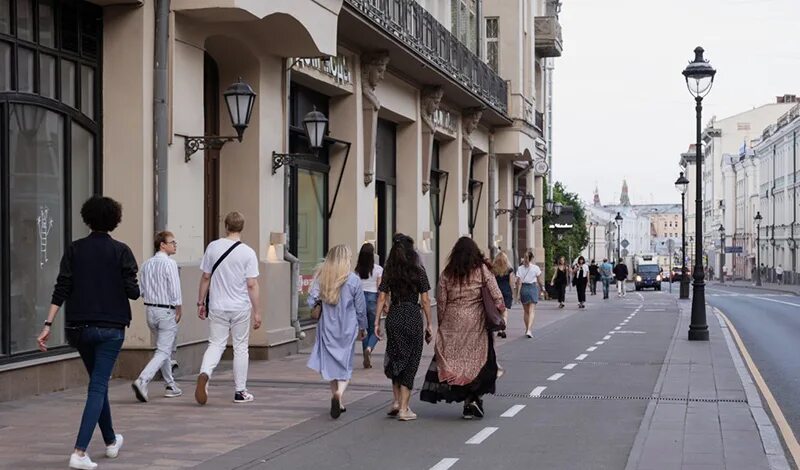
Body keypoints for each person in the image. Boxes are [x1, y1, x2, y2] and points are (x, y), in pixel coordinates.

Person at [37, 196, 139, 470]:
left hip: (78, 328)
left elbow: (62, 288)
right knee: (97, 386)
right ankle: (79, 452)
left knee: (98, 383)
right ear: (114, 220)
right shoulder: (121, 251)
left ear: (87, 218)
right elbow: (134, 292)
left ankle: (110, 441)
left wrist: (47, 325)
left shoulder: (74, 250)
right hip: (110, 328)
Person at [420, 237, 506, 419]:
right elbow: (497, 295)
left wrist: (442, 323)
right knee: (478, 361)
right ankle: (473, 398)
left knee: (456, 362)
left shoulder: (447, 273)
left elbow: (441, 301)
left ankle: (467, 400)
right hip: (476, 322)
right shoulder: (482, 270)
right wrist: (499, 313)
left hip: (452, 321)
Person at [195, 211, 261, 405]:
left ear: (226, 226)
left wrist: (201, 302)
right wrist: (257, 311)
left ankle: (205, 374)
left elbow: (206, 277)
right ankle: (240, 391)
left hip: (217, 305)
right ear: (242, 228)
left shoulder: (213, 247)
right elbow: (252, 284)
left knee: (215, 344)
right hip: (240, 306)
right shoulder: (248, 252)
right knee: (241, 347)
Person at [375, 233, 432, 421]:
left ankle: (397, 401)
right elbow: (425, 300)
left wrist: (377, 321)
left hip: (395, 315)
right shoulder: (419, 270)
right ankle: (404, 409)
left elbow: (382, 297)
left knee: (395, 356)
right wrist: (429, 324)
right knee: (411, 360)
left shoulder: (389, 270)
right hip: (413, 315)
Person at [307, 245, 368, 419]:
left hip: (327, 325)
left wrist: (319, 303)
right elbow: (360, 308)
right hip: (347, 326)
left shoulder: (322, 277)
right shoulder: (353, 280)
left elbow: (311, 300)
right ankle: (339, 394)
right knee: (345, 364)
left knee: (331, 363)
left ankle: (336, 398)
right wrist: (363, 327)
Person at [132, 231, 184, 402]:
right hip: (166, 311)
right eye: (172, 242)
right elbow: (175, 289)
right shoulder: (170, 264)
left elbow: (142, 290)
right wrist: (179, 307)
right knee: (163, 350)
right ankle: (143, 380)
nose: (175, 245)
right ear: (162, 244)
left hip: (150, 311)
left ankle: (170, 385)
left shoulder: (146, 264)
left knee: (164, 348)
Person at [355, 243, 382, 368]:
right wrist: (384, 303)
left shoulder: (357, 270)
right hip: (372, 299)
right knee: (375, 328)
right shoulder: (378, 269)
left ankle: (366, 354)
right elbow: (380, 288)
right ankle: (369, 349)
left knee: (363, 329)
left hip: (360, 300)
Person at [515, 251, 544, 338]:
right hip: (532, 288)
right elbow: (539, 281)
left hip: (524, 289)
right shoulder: (536, 268)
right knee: (532, 311)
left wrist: (518, 294)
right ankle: (529, 330)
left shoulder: (520, 268)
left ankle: (527, 328)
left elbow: (518, 282)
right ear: (532, 258)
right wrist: (543, 289)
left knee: (526, 311)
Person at [492, 251, 514, 339]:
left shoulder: (493, 269)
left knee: (498, 310)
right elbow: (511, 282)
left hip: (497, 291)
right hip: (506, 291)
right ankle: (503, 328)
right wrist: (512, 292)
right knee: (504, 311)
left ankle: (499, 328)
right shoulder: (509, 269)